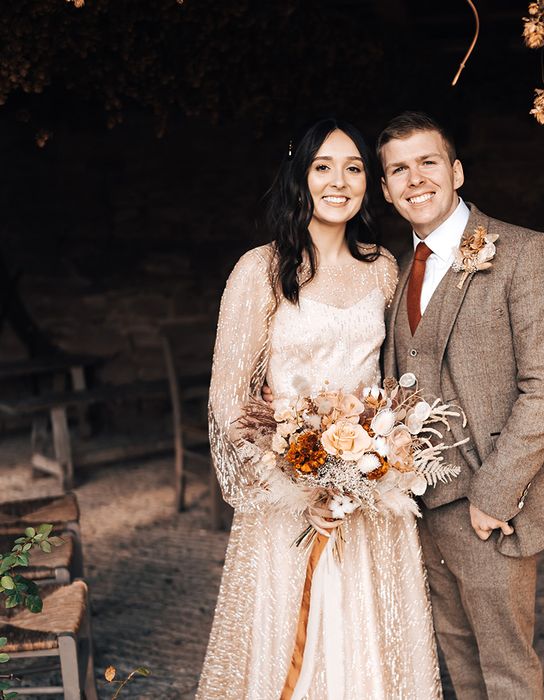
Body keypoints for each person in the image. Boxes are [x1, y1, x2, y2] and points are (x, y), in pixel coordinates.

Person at [197, 118, 442, 699]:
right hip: (288, 497)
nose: (339, 181)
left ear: (368, 184)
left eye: (354, 168)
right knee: (292, 639)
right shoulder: (259, 270)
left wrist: (380, 458)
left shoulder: (384, 267)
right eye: (323, 167)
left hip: (369, 492)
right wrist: (293, 488)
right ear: (300, 177)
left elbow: (393, 377)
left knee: (369, 638)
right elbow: (229, 401)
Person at [379, 111, 544, 700]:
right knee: (459, 663)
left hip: (491, 504)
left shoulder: (527, 253)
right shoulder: (394, 273)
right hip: (421, 503)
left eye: (428, 162)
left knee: (507, 671)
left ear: (457, 171)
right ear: (386, 190)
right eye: (398, 170)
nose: (415, 179)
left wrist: (493, 498)